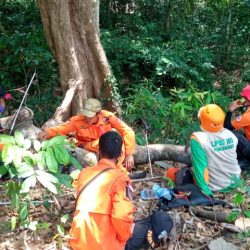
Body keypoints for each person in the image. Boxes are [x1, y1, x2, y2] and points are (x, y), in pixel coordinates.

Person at [68, 131, 134, 250]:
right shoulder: (120, 178)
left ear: (98, 152)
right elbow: (121, 215)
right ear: (120, 155)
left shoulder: (84, 173)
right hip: (103, 245)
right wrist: (126, 235)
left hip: (78, 241)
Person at [38, 98, 135, 171]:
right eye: (86, 114)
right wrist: (48, 132)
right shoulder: (78, 120)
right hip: (87, 147)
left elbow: (128, 131)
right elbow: (63, 128)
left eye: (90, 116)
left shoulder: (108, 117)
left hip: (105, 146)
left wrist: (129, 154)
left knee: (116, 139)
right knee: (108, 141)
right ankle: (117, 170)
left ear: (98, 114)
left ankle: (118, 168)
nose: (87, 118)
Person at [190, 104, 241, 196]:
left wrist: (206, 193)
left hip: (216, 187)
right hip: (236, 183)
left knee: (174, 173)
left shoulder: (198, 139)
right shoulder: (231, 135)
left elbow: (200, 168)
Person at [224, 84, 250, 169]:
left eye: (244, 99)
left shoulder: (247, 116)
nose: (242, 100)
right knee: (242, 135)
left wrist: (230, 110)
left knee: (230, 133)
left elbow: (227, 127)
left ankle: (244, 161)